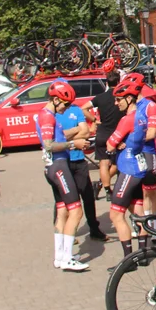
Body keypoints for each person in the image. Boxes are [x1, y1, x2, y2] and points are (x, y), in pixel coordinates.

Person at [37, 80, 90, 272]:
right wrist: (73, 145)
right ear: (55, 99)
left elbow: (57, 139)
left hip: (54, 166)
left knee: (62, 211)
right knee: (76, 211)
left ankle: (60, 256)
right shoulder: (47, 117)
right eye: (65, 104)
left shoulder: (49, 115)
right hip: (59, 167)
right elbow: (48, 144)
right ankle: (67, 258)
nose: (66, 109)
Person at [105, 74, 154, 266]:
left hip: (128, 169)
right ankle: (143, 254)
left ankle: (129, 260)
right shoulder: (141, 117)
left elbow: (110, 145)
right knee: (138, 212)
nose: (116, 103)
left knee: (116, 215)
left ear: (129, 98)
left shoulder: (127, 119)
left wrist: (117, 145)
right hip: (139, 167)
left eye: (118, 100)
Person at [54, 81, 111, 243]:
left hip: (78, 161)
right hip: (61, 161)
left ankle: (94, 228)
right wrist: (75, 133)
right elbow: (54, 139)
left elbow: (86, 132)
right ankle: (64, 232)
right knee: (62, 200)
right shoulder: (52, 113)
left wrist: (68, 135)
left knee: (87, 196)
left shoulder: (76, 110)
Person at [91, 61, 123, 201]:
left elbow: (83, 108)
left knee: (103, 163)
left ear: (107, 83)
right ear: (119, 81)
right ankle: (100, 184)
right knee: (116, 164)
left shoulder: (100, 97)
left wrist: (94, 119)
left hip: (102, 133)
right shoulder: (121, 97)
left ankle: (106, 189)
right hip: (116, 134)